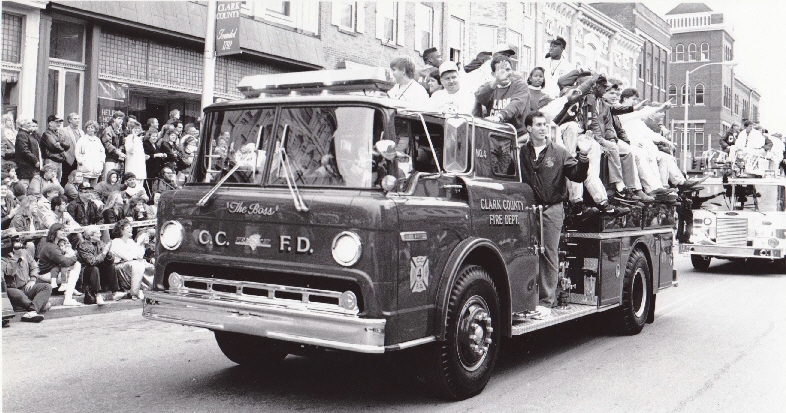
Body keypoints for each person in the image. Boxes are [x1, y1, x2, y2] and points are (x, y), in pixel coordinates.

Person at [518, 112, 589, 320]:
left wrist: (583, 157)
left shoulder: (559, 152)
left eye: (545, 125)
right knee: (527, 253)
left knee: (549, 252)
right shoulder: (522, 153)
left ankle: (546, 301)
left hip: (552, 208)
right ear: (529, 129)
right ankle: (527, 299)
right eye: (538, 125)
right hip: (528, 210)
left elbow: (577, 175)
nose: (543, 128)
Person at [474, 55, 530, 136]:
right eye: (501, 70)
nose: (505, 74)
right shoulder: (490, 86)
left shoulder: (520, 85)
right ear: (493, 74)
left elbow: (516, 104)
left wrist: (499, 116)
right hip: (493, 134)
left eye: (508, 70)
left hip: (515, 135)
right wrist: (497, 80)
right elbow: (479, 97)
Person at [3, 239, 52, 322]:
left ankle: (31, 311)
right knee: (16, 293)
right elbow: (9, 272)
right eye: (13, 241)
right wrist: (15, 257)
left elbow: (35, 267)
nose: (17, 244)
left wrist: (32, 279)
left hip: (25, 286)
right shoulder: (2, 257)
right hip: (11, 289)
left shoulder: (24, 252)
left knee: (46, 286)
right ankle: (36, 307)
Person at [37, 223, 83, 306]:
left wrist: (68, 248)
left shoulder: (56, 244)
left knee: (75, 266)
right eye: (61, 230)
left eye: (64, 230)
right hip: (47, 275)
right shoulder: (51, 247)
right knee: (77, 265)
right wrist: (75, 257)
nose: (64, 232)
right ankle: (68, 298)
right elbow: (65, 262)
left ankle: (69, 290)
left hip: (53, 272)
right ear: (54, 232)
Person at [109, 218, 148, 300]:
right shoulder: (115, 242)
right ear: (121, 231)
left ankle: (145, 289)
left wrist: (142, 245)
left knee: (146, 264)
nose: (131, 229)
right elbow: (128, 257)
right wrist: (138, 243)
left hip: (132, 264)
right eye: (127, 228)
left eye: (130, 227)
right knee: (137, 265)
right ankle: (136, 291)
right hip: (120, 267)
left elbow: (139, 256)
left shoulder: (130, 241)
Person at [77, 225, 114, 305]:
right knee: (94, 268)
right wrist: (104, 253)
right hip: (86, 273)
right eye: (97, 233)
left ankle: (115, 291)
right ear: (90, 236)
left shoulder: (100, 243)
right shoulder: (83, 246)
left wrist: (109, 255)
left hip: (99, 272)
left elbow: (109, 261)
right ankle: (97, 294)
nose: (100, 234)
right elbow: (92, 262)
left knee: (111, 266)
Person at [14, 117, 42, 189]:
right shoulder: (22, 135)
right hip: (25, 168)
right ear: (22, 125)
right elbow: (24, 150)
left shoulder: (28, 134)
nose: (31, 125)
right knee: (24, 187)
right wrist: (35, 160)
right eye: (28, 123)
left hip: (30, 167)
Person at [40, 115, 70, 181]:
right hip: (51, 160)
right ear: (50, 123)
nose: (59, 124)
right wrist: (62, 147)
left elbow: (67, 145)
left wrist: (60, 143)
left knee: (57, 181)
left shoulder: (59, 134)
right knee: (50, 180)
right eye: (56, 122)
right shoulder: (47, 134)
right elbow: (54, 147)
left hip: (59, 160)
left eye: (60, 122)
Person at [75, 120, 105, 185]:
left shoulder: (97, 140)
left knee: (94, 187)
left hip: (96, 168)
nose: (90, 129)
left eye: (92, 128)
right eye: (88, 127)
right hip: (85, 168)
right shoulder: (82, 139)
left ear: (95, 129)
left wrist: (101, 163)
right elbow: (77, 153)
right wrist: (82, 162)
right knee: (85, 186)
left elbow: (102, 153)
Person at [101, 110, 126, 180]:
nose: (121, 120)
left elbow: (123, 143)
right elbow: (107, 143)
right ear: (114, 119)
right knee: (108, 178)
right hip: (109, 158)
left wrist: (120, 150)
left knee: (116, 180)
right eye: (119, 118)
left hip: (118, 159)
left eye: (122, 119)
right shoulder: (108, 130)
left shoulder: (120, 131)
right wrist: (118, 152)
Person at [60, 113, 83, 185]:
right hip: (68, 159)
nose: (77, 120)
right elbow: (60, 144)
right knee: (66, 178)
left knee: (77, 179)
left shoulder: (81, 132)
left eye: (78, 119)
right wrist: (64, 155)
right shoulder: (63, 130)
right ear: (70, 120)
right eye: (75, 119)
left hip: (78, 160)